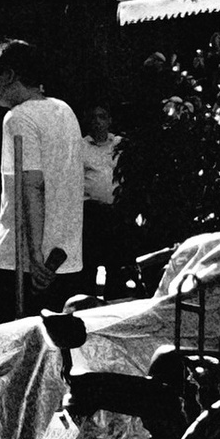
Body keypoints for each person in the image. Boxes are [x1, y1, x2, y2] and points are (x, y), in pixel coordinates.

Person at [0, 38, 83, 323]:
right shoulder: (65, 111)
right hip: (64, 260)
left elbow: (32, 185)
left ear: (9, 74)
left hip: (20, 261)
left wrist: (35, 254)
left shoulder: (18, 117)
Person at [79, 101, 125, 298]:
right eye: (93, 117)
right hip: (91, 212)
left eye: (102, 117)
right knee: (89, 263)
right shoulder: (81, 146)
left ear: (109, 121)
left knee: (116, 263)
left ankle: (116, 304)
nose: (98, 122)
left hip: (117, 212)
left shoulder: (120, 145)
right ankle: (86, 307)